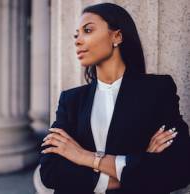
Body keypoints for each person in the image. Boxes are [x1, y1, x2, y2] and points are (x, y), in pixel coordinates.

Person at [39, 3, 190, 194]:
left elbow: (179, 168)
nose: (77, 41)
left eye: (87, 30)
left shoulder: (158, 90)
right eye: (76, 35)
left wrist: (83, 156)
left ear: (116, 36)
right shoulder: (71, 100)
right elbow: (50, 171)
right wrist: (132, 169)